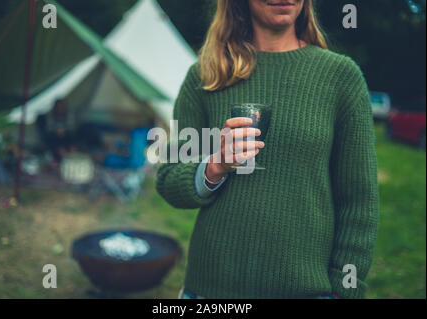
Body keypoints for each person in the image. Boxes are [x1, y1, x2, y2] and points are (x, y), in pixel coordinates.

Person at [156, 0, 379, 299]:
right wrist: (214, 165)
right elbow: (169, 178)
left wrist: (345, 289)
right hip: (211, 292)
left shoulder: (339, 76)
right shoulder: (207, 75)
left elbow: (359, 201)